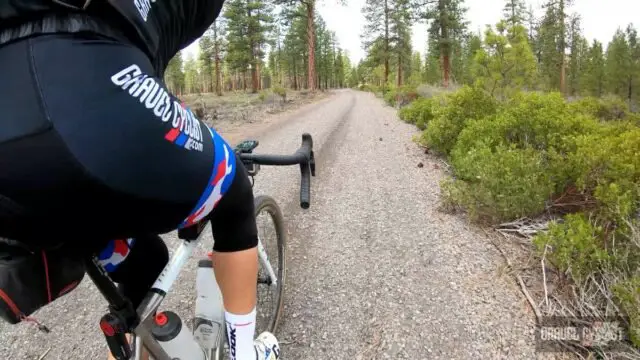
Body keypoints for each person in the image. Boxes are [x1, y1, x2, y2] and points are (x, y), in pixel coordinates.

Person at [0, 1, 279, 359]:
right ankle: (247, 355)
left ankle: (45, 249)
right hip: (85, 82)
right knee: (233, 189)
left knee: (146, 259)